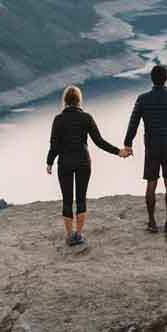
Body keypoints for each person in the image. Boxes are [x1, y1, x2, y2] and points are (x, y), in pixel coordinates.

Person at [45, 85, 126, 247]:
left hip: (65, 163)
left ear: (65, 101)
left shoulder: (58, 119)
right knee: (81, 199)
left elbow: (54, 145)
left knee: (67, 200)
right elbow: (99, 141)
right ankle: (79, 235)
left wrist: (49, 162)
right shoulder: (86, 118)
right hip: (83, 161)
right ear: (79, 101)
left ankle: (69, 236)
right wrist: (118, 152)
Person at [124, 63, 167, 232]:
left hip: (151, 145)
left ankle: (152, 222)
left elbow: (134, 123)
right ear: (166, 79)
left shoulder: (142, 99)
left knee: (151, 182)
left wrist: (128, 143)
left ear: (152, 79)